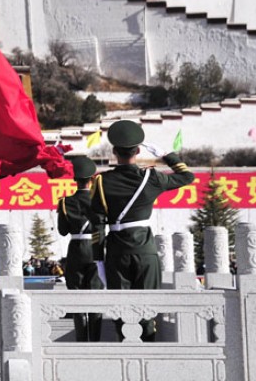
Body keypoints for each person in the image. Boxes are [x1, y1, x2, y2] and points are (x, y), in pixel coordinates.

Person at [87, 120, 195, 342]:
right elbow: (187, 177)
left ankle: (127, 349)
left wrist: (98, 259)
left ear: (114, 151)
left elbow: (96, 223)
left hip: (116, 252)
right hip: (146, 250)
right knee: (148, 306)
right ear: (138, 150)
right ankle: (148, 351)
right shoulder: (151, 177)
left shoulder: (101, 182)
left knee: (121, 308)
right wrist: (166, 155)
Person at [56, 156, 104, 342]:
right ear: (92, 178)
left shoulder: (65, 202)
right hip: (95, 248)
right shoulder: (99, 201)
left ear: (74, 179)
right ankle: (95, 339)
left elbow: (62, 231)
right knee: (95, 296)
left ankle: (81, 338)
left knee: (76, 294)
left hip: (76, 249)